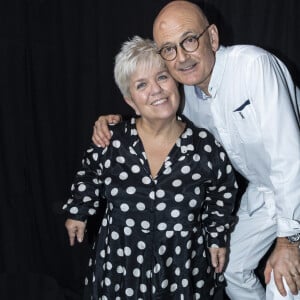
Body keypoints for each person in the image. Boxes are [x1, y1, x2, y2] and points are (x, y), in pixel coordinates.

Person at [91, 1, 300, 300]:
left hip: (295, 181)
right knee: (231, 269)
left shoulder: (254, 66)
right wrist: (115, 124)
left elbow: (289, 158)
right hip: (266, 190)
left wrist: (289, 242)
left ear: (212, 38)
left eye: (189, 40)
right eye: (169, 49)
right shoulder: (187, 95)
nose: (182, 57)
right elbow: (156, 117)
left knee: (283, 281)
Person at [63, 36, 238, 299]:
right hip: (120, 265)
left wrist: (217, 238)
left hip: (181, 268)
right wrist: (79, 209)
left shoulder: (204, 147)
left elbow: (222, 193)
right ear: (130, 100)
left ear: (175, 81)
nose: (155, 89)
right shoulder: (112, 140)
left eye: (162, 77)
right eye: (141, 84)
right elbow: (90, 173)